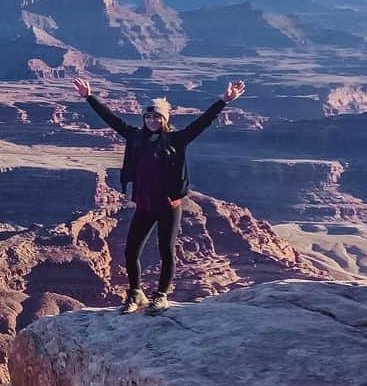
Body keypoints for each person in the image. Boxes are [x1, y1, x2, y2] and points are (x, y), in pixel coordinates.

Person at [71, 76, 246, 315]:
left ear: (165, 119)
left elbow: (202, 122)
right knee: (131, 250)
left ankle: (161, 296)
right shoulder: (135, 137)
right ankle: (136, 293)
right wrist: (89, 97)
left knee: (167, 251)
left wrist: (224, 100)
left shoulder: (177, 140)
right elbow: (111, 119)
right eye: (149, 116)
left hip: (168, 205)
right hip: (144, 204)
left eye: (157, 116)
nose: (152, 120)